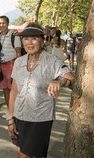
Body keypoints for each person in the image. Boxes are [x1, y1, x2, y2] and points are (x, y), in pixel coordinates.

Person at [7, 22, 74, 158]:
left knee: (25, 156)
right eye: (26, 39)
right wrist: (10, 119)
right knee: (21, 154)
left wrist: (59, 81)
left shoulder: (52, 61)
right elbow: (14, 91)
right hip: (19, 116)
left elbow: (72, 78)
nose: (29, 43)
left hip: (40, 119)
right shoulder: (19, 62)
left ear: (42, 40)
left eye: (34, 38)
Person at [0, 15, 22, 119]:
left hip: (12, 64)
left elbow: (18, 52)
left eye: (3, 23)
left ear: (7, 24)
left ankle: (15, 113)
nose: (1, 25)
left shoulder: (14, 35)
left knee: (13, 89)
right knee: (5, 89)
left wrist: (17, 69)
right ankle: (9, 111)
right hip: (1, 65)